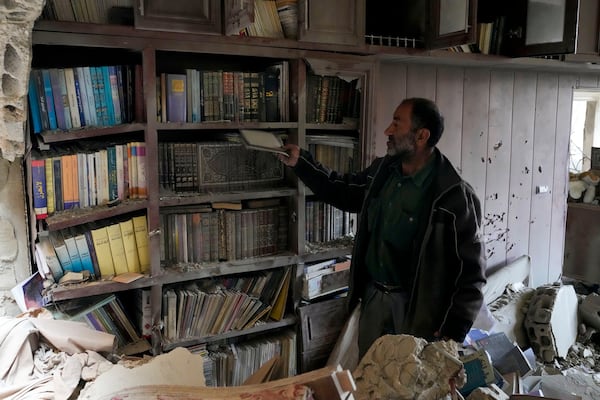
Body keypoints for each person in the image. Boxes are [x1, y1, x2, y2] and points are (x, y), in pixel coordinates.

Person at [279, 97, 486, 358]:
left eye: (397, 124)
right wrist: (301, 162)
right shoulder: (382, 173)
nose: (388, 131)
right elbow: (343, 190)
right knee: (373, 379)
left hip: (418, 313)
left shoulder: (453, 196)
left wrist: (452, 333)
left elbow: (471, 275)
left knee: (408, 387)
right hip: (374, 300)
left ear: (421, 136)